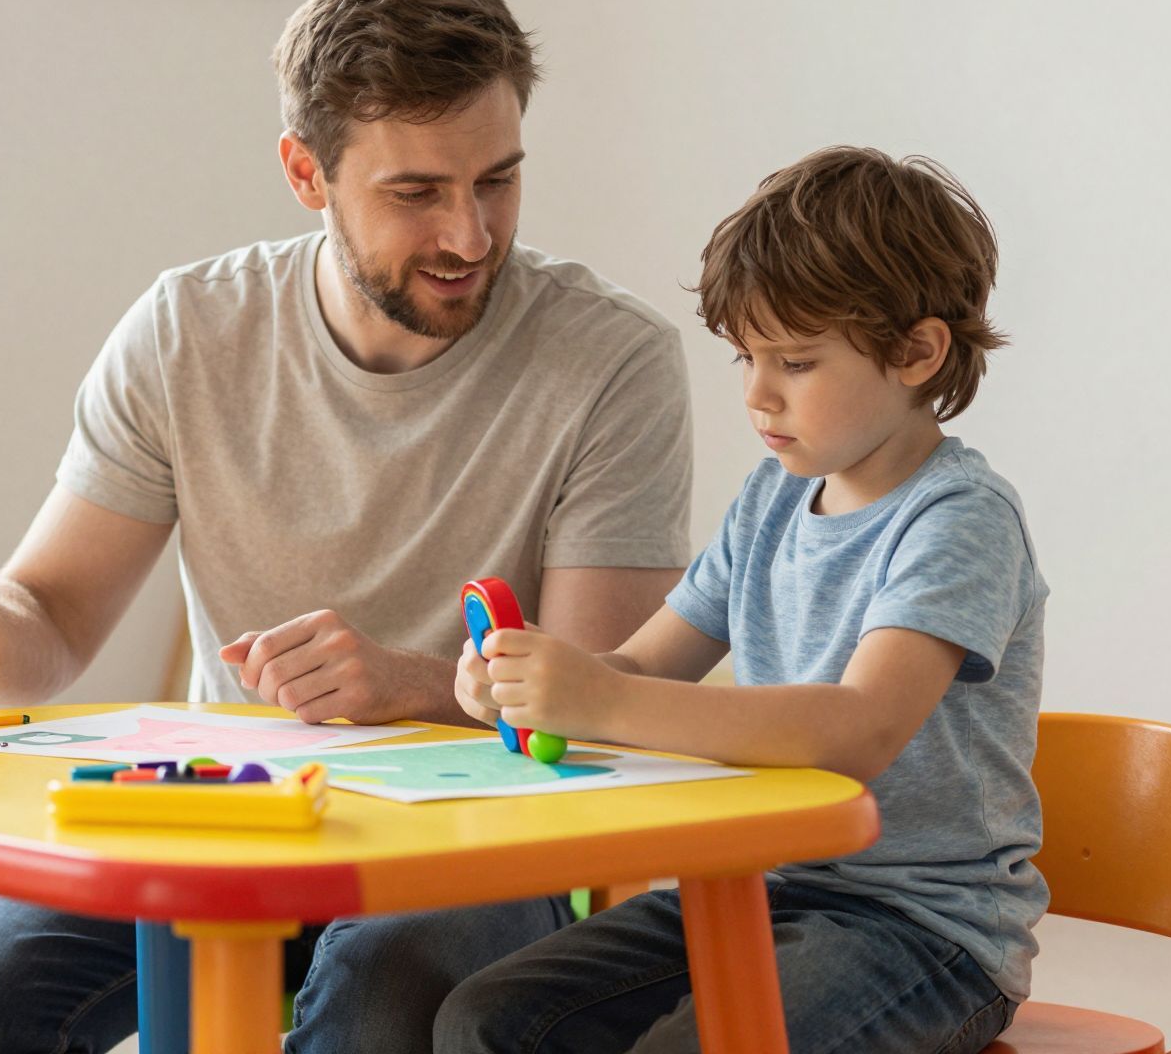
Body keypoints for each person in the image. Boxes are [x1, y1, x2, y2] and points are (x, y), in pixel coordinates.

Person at [0, 0, 693, 1053]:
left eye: (497, 180)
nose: (469, 235)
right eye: (415, 193)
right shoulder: (187, 332)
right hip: (225, 811)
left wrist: (407, 682)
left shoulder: (612, 361)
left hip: (481, 838)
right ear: (305, 173)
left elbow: (595, 702)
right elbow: (45, 639)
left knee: (377, 1000)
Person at [438, 146, 1048, 1053]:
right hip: (756, 890)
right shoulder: (771, 499)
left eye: (796, 362)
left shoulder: (960, 520)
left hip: (924, 931)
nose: (758, 395)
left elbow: (858, 730)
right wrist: (533, 682)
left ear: (918, 353)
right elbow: (643, 665)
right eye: (746, 357)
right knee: (489, 1021)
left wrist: (604, 699)